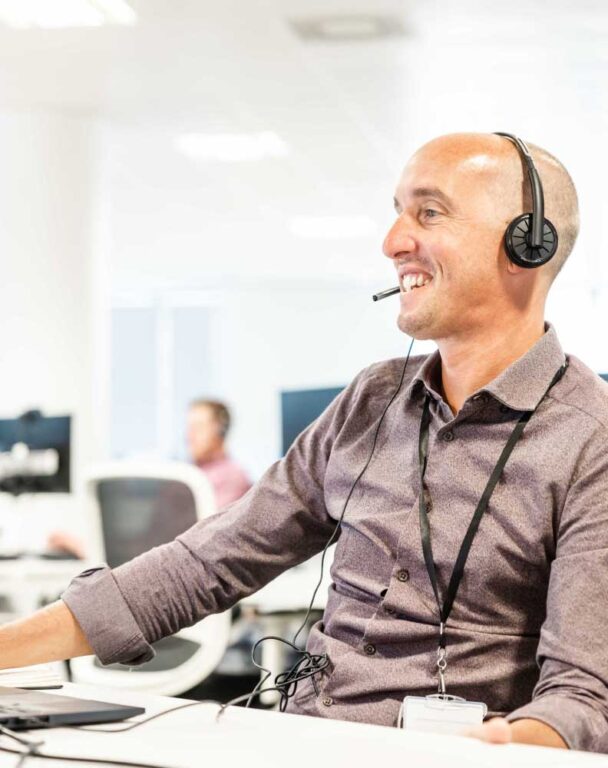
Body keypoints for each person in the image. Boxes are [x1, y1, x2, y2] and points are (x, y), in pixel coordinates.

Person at [0, 132, 605, 752]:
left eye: (429, 212)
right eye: (397, 211)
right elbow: (203, 565)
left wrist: (508, 746)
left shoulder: (591, 442)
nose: (393, 241)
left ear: (527, 244)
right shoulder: (372, 400)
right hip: (302, 739)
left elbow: (584, 697)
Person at [187, 399, 252, 509]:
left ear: (220, 431)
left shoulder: (233, 478)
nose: (190, 436)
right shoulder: (188, 472)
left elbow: (211, 524)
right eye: (190, 428)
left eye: (199, 427)